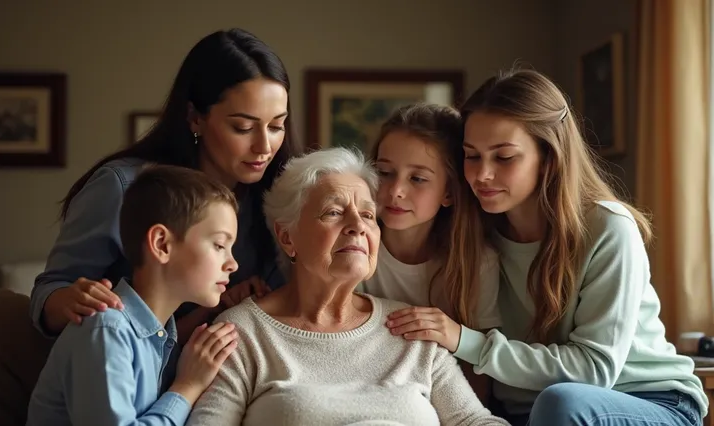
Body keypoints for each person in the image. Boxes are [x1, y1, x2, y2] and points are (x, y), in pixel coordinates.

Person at [391, 68, 708, 425]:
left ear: (549, 157)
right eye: (472, 156)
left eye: (504, 157)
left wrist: (465, 340)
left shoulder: (608, 228)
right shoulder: (477, 233)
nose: (482, 175)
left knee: (561, 404)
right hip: (531, 410)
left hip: (646, 399)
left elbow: (594, 370)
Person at [185, 148, 509, 426]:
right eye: (334, 212)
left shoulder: (411, 328)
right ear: (288, 237)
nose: (357, 227)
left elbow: (474, 421)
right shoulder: (242, 332)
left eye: (368, 215)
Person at [29, 28, 301, 346]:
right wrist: (70, 300)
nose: (264, 146)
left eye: (276, 125)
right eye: (243, 127)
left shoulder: (279, 198)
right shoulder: (123, 187)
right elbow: (47, 296)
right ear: (194, 117)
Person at [27, 165, 240, 426]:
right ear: (162, 244)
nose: (233, 264)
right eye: (219, 245)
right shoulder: (107, 330)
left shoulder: (165, 337)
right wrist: (188, 386)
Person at [356, 103, 501, 402]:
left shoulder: (477, 262)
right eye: (384, 172)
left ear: (448, 192)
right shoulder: (355, 245)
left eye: (417, 178)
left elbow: (478, 371)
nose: (395, 190)